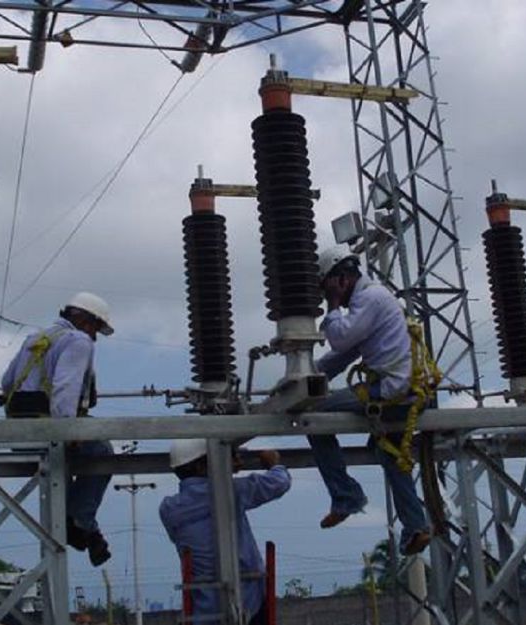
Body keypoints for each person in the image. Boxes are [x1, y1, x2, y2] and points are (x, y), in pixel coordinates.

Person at [307, 245, 432, 556]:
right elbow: (344, 353)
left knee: (314, 416)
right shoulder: (372, 301)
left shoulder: (370, 298)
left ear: (342, 279)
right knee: (390, 454)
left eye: (328, 290)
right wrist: (308, 376)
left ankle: (345, 496)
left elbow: (340, 338)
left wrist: (334, 306)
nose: (327, 298)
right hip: (404, 391)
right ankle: (416, 526)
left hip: (391, 392)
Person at [0, 292, 115, 566]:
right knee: (101, 451)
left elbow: (6, 383)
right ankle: (81, 524)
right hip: (49, 431)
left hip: (19, 432)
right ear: (86, 320)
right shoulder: (78, 340)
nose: (95, 336)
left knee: (67, 467)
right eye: (96, 328)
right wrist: (68, 431)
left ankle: (83, 526)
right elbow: (66, 388)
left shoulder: (36, 338)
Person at [160, 440, 290, 625]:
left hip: (203, 611)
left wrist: (226, 465)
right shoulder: (231, 491)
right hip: (248, 603)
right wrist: (274, 464)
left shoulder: (169, 508)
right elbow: (279, 483)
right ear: (201, 465)